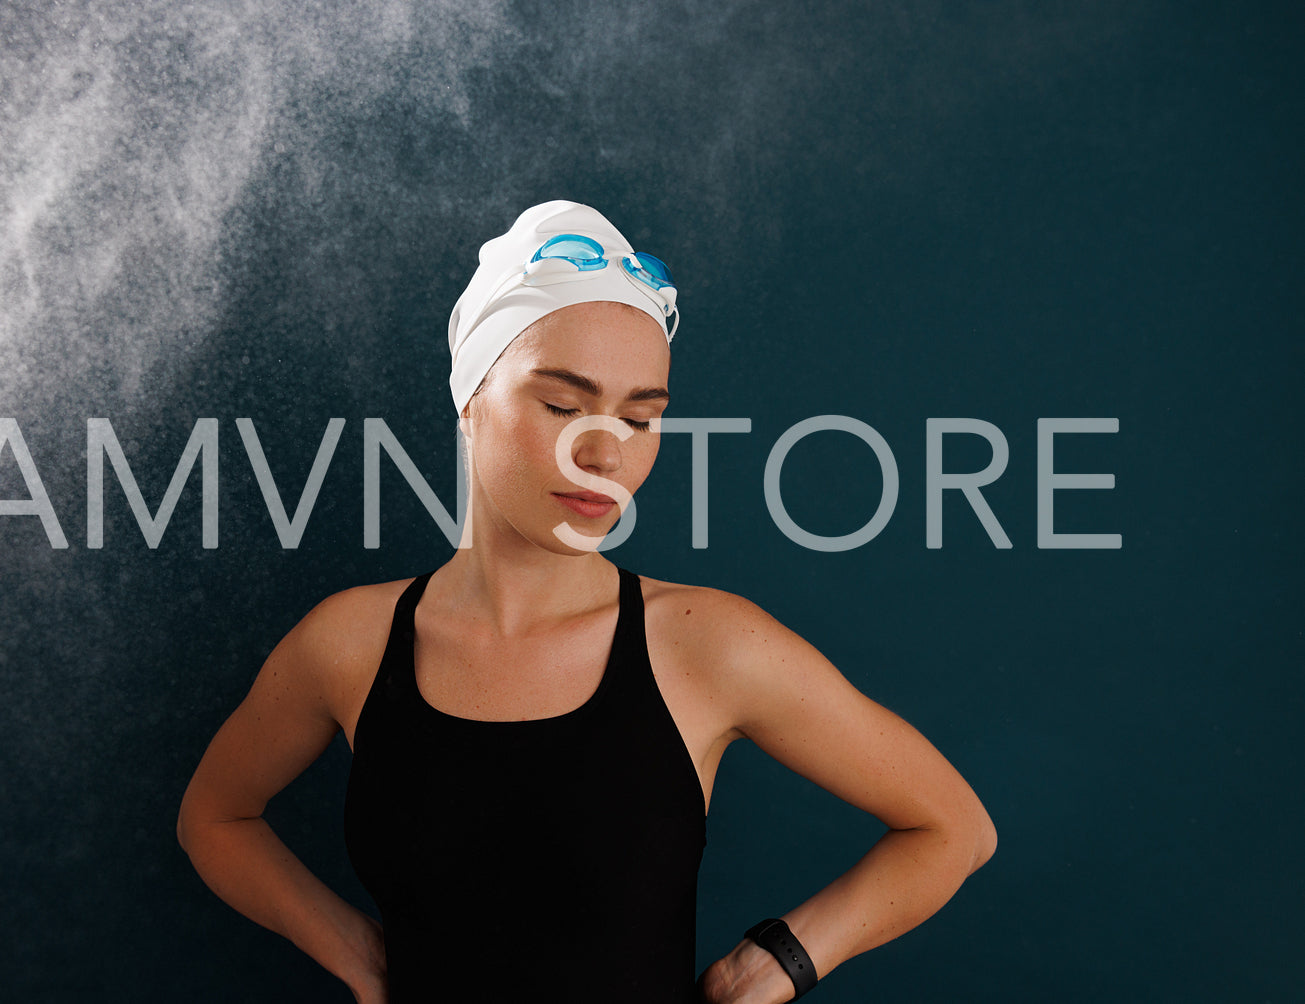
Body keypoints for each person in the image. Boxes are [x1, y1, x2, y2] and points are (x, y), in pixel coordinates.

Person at [177, 200, 996, 1004]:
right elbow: (214, 817)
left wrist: (773, 965)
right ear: (471, 401)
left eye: (641, 418)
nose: (602, 451)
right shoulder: (347, 643)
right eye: (562, 406)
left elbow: (952, 828)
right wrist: (353, 951)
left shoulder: (705, 644)